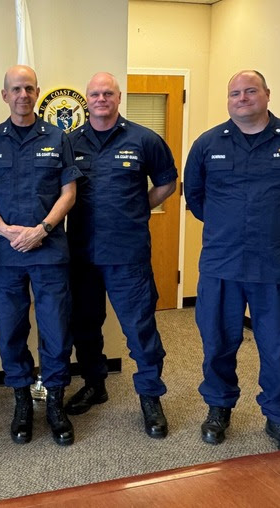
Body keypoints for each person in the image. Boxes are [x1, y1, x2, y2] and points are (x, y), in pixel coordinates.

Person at [184, 70, 280, 450]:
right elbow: (197, 199)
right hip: (222, 265)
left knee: (277, 347)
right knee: (217, 343)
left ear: (267, 94)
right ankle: (219, 408)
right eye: (234, 93)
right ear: (228, 100)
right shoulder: (207, 144)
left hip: (277, 267)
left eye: (250, 91)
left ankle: (279, 419)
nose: (242, 98)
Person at [0, 65, 82, 446]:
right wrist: (2, 228)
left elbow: (69, 192)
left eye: (29, 88)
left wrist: (42, 230)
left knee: (55, 330)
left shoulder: (57, 136)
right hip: (6, 255)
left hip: (48, 252)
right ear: (4, 95)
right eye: (15, 89)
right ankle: (21, 401)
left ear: (37, 93)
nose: (22, 94)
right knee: (11, 331)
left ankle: (54, 403)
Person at [64, 72, 177, 439]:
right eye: (94, 93)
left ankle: (150, 397)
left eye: (107, 93)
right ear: (86, 99)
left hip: (127, 254)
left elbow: (167, 182)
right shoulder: (69, 142)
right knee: (85, 325)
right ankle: (95, 384)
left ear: (118, 97)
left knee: (140, 328)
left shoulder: (144, 139)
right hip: (81, 252)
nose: (101, 98)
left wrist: (138, 208)